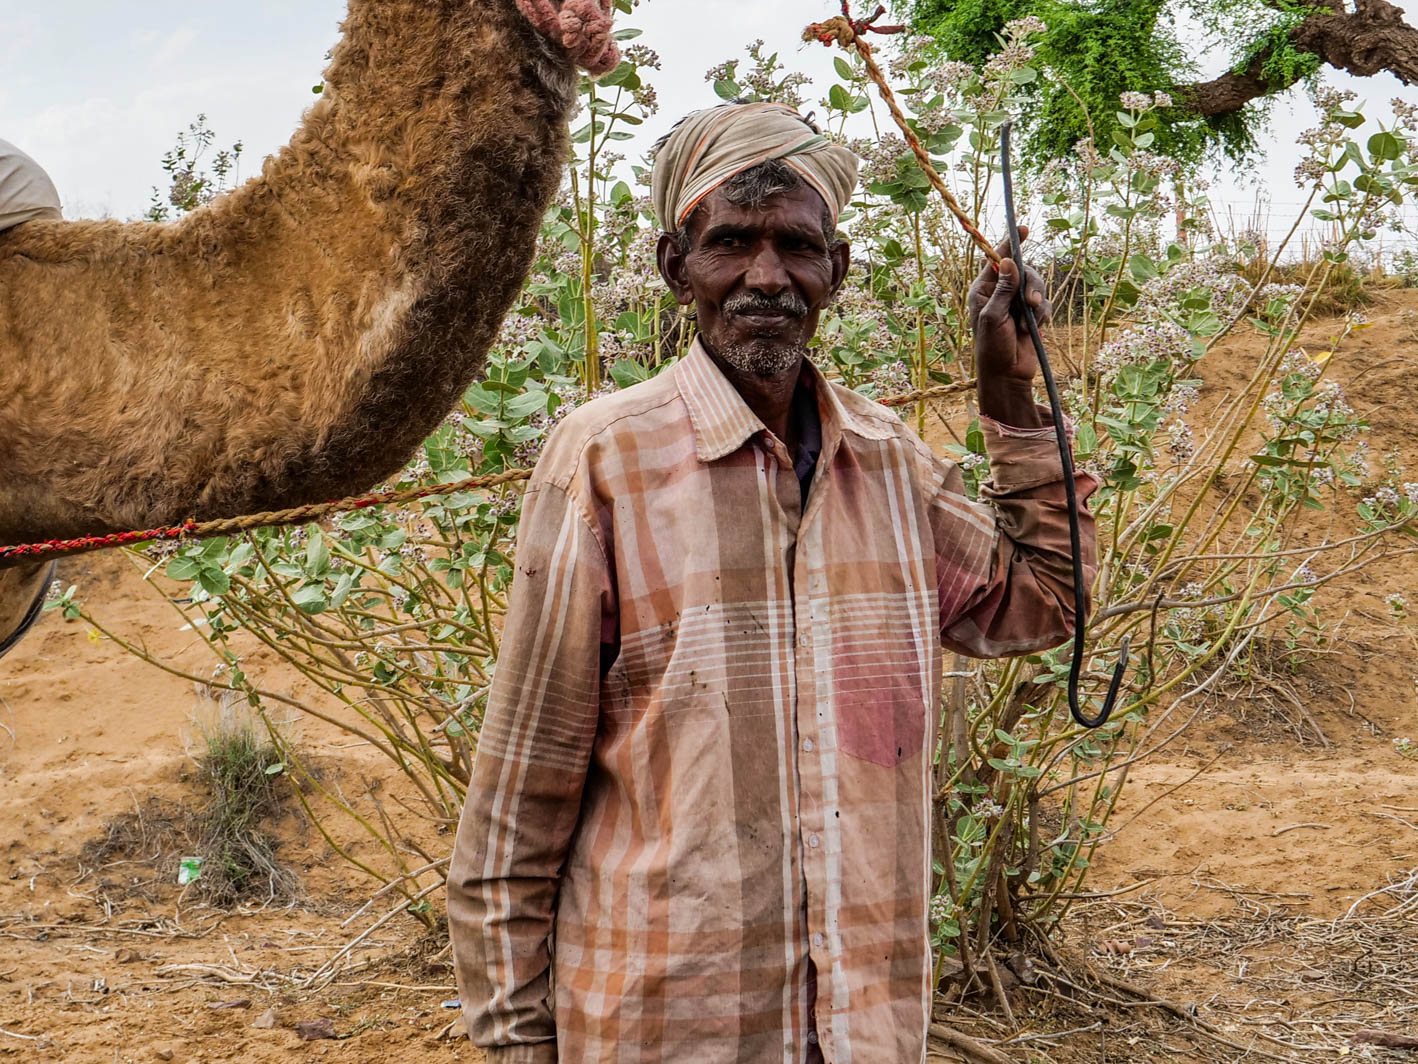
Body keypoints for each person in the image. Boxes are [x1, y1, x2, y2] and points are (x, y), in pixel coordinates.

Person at [446, 101, 1097, 1064]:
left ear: (836, 269)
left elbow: (1048, 601)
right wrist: (513, 1042)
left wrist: (1006, 391)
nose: (766, 277)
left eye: (797, 245)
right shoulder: (605, 458)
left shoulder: (888, 461)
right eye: (732, 244)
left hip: (864, 1030)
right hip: (659, 1027)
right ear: (677, 267)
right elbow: (521, 792)